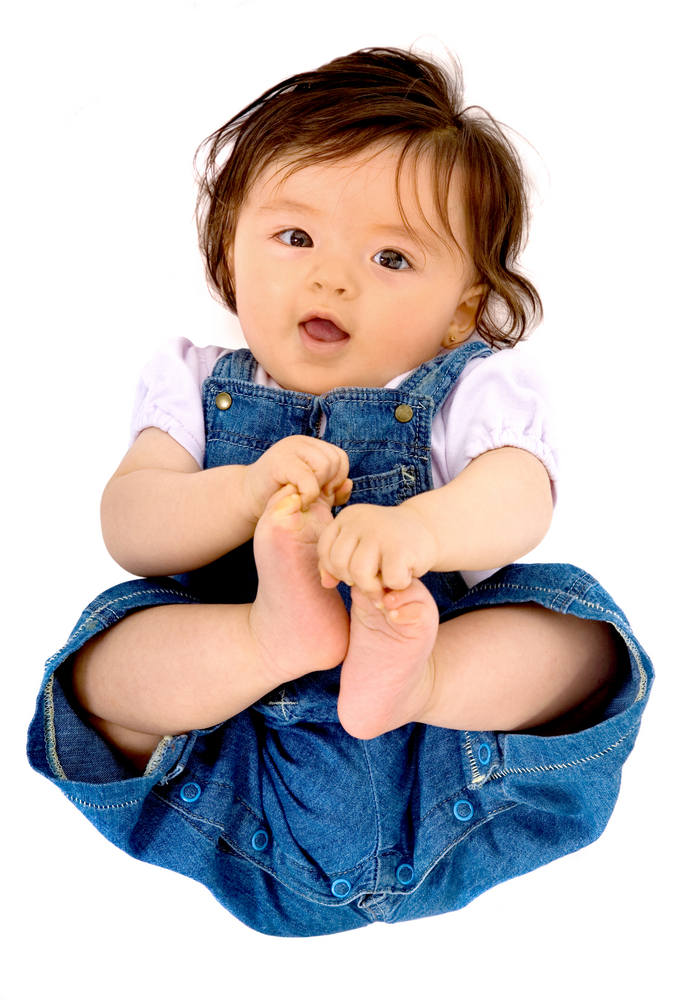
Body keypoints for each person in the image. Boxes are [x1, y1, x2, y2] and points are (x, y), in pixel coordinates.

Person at [27, 47, 653, 937]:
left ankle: (418, 674)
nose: (333, 277)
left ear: (462, 309)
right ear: (230, 248)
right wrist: (240, 496)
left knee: (580, 630)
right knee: (108, 650)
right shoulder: (193, 389)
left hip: (452, 758)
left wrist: (424, 534)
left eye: (393, 257)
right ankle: (268, 633)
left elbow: (521, 496)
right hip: (230, 762)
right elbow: (132, 524)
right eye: (295, 238)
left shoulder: (466, 391)